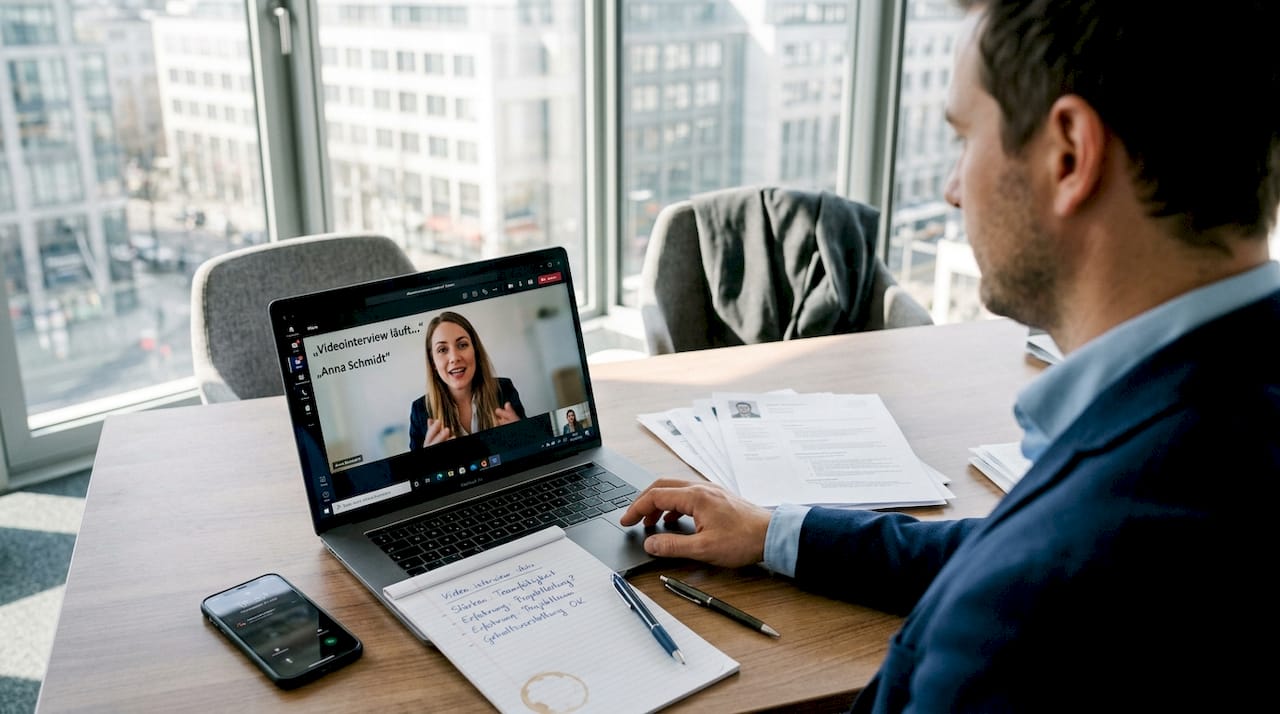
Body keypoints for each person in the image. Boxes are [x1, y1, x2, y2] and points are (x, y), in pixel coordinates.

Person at [620, 2, 1279, 711]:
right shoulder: (1223, 416)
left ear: (1068, 154)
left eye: (965, 138)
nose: (952, 188)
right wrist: (775, 532)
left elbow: (1029, 567)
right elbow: (1002, 545)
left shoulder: (1032, 610)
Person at [409, 311, 526, 449]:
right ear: (433, 362)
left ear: (475, 351)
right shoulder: (420, 411)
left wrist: (523, 436)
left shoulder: (504, 389)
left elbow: (534, 451)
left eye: (462, 345)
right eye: (442, 350)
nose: (454, 357)